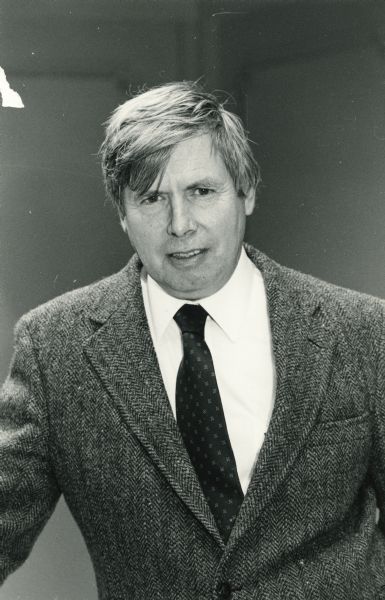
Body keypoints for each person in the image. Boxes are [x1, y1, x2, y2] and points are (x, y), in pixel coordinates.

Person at [0, 81, 384, 600]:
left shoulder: (362, 332)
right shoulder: (54, 349)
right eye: (152, 198)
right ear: (121, 213)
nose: (180, 225)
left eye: (201, 191)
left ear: (246, 192)